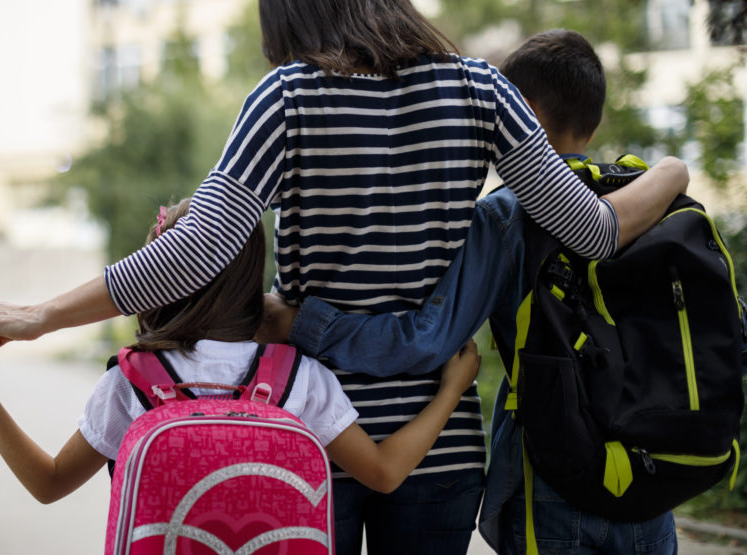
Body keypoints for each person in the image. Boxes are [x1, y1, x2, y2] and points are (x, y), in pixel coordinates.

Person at [0, 0, 687, 554]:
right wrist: (671, 172)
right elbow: (594, 232)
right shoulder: (480, 90)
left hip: (309, 431)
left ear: (290, 15)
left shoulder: (287, 96)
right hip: (439, 439)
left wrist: (40, 316)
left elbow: (195, 250)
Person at [260, 30, 683, 554]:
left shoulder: (506, 217)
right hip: (654, 483)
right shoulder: (649, 199)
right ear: (591, 128)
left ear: (519, 113)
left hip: (557, 475)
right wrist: (673, 170)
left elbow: (425, 339)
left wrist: (298, 322)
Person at [0, 199, 481, 515]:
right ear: (253, 279)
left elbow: (48, 484)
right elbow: (385, 473)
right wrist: (451, 392)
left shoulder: (131, 382)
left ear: (154, 279)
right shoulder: (298, 378)